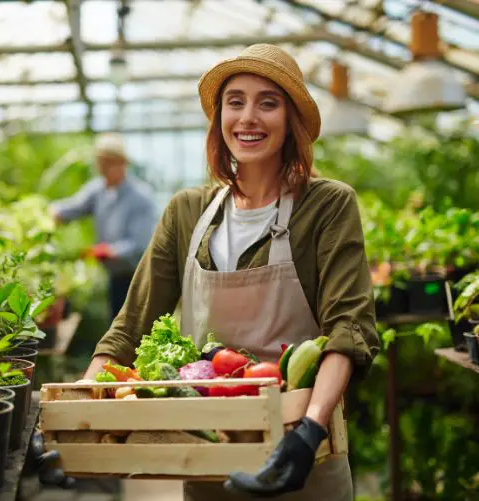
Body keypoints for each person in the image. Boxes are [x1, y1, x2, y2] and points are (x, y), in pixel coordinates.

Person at [78, 44, 379, 500]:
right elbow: (128, 329)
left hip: (301, 454)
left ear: (291, 118)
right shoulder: (186, 212)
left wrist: (311, 430)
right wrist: (77, 417)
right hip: (207, 456)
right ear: (219, 117)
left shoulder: (327, 205)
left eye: (268, 102)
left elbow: (348, 330)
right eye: (235, 101)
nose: (248, 117)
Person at [50, 133, 158, 323]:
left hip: (137, 276)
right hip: (115, 274)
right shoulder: (98, 190)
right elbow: (75, 207)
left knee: (133, 325)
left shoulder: (140, 197)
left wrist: (109, 251)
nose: (102, 169)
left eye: (107, 164)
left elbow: (140, 243)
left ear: (122, 164)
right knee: (116, 322)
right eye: (100, 163)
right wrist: (50, 212)